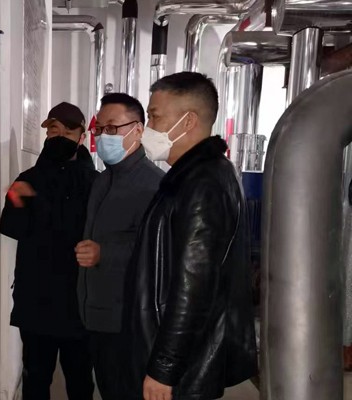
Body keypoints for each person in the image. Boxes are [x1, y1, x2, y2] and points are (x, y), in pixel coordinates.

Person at [126, 71, 257, 400]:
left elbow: (193, 288)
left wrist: (164, 368)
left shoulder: (202, 184)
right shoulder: (196, 175)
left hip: (184, 367)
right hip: (184, 357)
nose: (148, 128)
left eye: (155, 116)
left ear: (188, 121)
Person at [0, 102, 98, 400]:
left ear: (82, 137)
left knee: (80, 381)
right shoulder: (27, 179)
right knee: (36, 378)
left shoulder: (96, 183)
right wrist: (18, 200)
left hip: (79, 301)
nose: (61, 137)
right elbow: (10, 226)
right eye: (55, 130)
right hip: (36, 299)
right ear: (47, 133)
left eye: (69, 132)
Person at [75, 93, 165, 399]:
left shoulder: (154, 184)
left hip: (129, 322)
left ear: (138, 130)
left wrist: (105, 253)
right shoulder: (102, 181)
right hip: (96, 315)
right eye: (99, 129)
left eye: (112, 128)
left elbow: (157, 252)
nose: (103, 136)